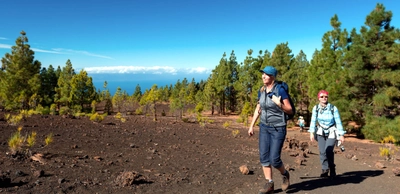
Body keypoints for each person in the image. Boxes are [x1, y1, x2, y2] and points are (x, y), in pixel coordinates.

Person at [248, 66, 293, 194]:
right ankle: (270, 183)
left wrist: (279, 104)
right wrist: (252, 125)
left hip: (278, 128)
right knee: (263, 157)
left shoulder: (280, 90)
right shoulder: (261, 90)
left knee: (274, 159)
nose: (263, 76)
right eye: (262, 74)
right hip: (264, 127)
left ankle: (285, 174)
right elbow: (258, 108)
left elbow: (289, 109)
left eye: (266, 74)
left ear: (272, 76)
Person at [308, 90, 346, 178]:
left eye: (326, 97)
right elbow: (313, 121)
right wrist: (311, 133)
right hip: (320, 131)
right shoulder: (316, 108)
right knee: (322, 151)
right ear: (318, 98)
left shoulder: (333, 108)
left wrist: (341, 135)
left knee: (328, 150)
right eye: (322, 97)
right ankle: (325, 169)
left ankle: (332, 168)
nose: (324, 98)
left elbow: (338, 121)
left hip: (332, 132)